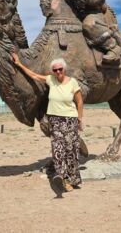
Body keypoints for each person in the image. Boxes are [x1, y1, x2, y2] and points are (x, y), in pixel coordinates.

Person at [12, 52, 83, 192]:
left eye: (60, 69)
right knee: (58, 150)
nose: (57, 72)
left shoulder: (72, 82)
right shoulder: (51, 80)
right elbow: (34, 76)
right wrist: (18, 64)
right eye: (55, 70)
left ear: (64, 69)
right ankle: (62, 178)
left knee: (71, 150)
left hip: (70, 120)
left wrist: (80, 119)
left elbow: (79, 102)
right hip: (55, 120)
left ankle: (73, 178)